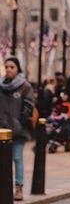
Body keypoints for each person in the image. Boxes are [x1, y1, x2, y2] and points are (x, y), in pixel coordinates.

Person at [0, 56, 34, 201]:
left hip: (18, 130)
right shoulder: (1, 86)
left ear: (17, 68)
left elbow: (29, 106)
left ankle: (18, 187)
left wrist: (20, 122)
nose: (8, 69)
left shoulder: (25, 86)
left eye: (12, 67)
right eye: (6, 66)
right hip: (2, 129)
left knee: (17, 157)